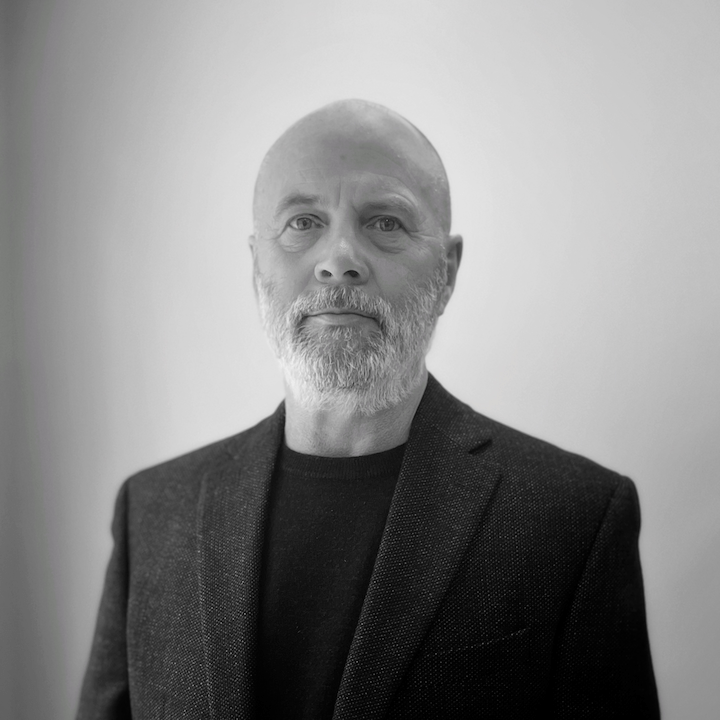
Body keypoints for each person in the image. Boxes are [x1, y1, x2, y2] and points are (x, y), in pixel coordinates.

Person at [77, 99, 660, 719]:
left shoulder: (573, 520)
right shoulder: (152, 513)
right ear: (255, 267)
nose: (339, 259)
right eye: (303, 222)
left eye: (385, 222)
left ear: (447, 271)